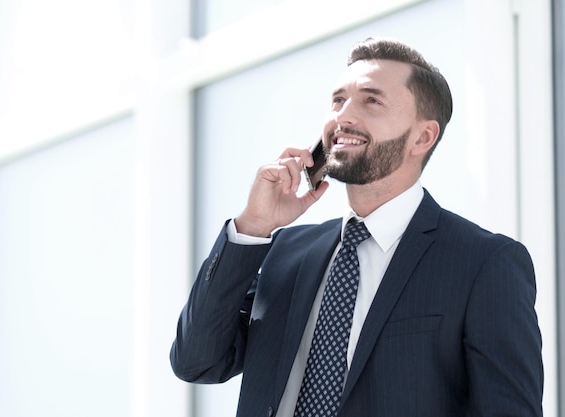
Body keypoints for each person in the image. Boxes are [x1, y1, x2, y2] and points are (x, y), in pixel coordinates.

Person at [170, 37, 544, 417]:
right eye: (338, 100)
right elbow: (196, 361)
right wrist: (252, 227)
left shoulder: (483, 263)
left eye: (371, 101)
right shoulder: (285, 251)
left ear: (423, 136)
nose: (343, 117)